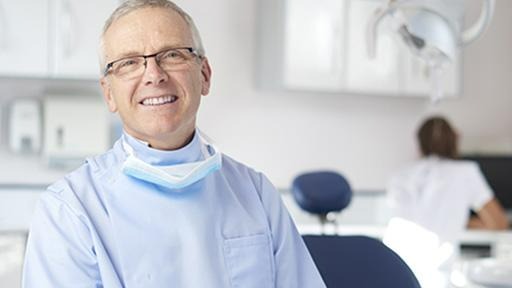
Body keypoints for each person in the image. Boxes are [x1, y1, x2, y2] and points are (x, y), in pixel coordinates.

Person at [22, 1, 326, 287]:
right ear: (109, 93)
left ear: (204, 75)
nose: (154, 75)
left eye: (172, 55)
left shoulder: (255, 194)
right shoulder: (71, 210)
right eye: (129, 63)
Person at [387, 116, 509, 243]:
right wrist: (462, 221)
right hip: (438, 257)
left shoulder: (400, 174)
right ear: (454, 140)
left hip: (397, 255)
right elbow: (499, 223)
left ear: (419, 142)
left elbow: (404, 217)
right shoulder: (465, 172)